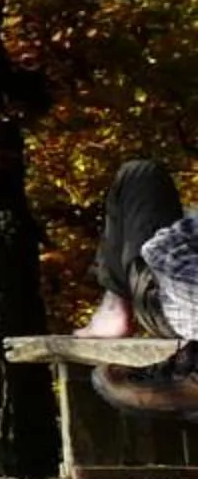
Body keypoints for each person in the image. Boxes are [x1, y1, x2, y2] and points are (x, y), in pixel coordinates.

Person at [75, 159, 198, 414]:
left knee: (139, 175)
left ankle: (114, 305)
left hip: (175, 303)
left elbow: (162, 252)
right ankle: (115, 304)